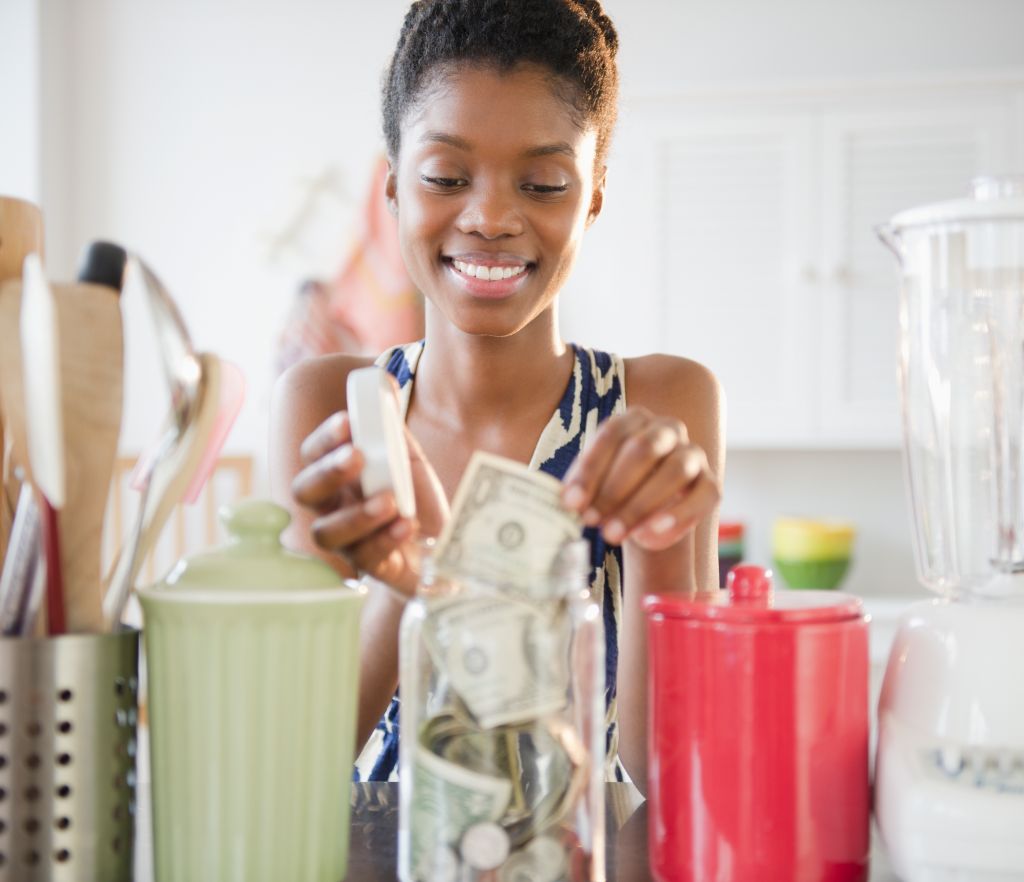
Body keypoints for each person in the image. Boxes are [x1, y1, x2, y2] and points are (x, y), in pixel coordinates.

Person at [269, 0, 723, 792]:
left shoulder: (663, 401)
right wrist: (405, 579)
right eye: (445, 177)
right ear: (393, 187)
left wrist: (659, 537)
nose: (491, 217)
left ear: (594, 196)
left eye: (544, 184)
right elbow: (294, 758)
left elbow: (669, 774)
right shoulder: (329, 405)